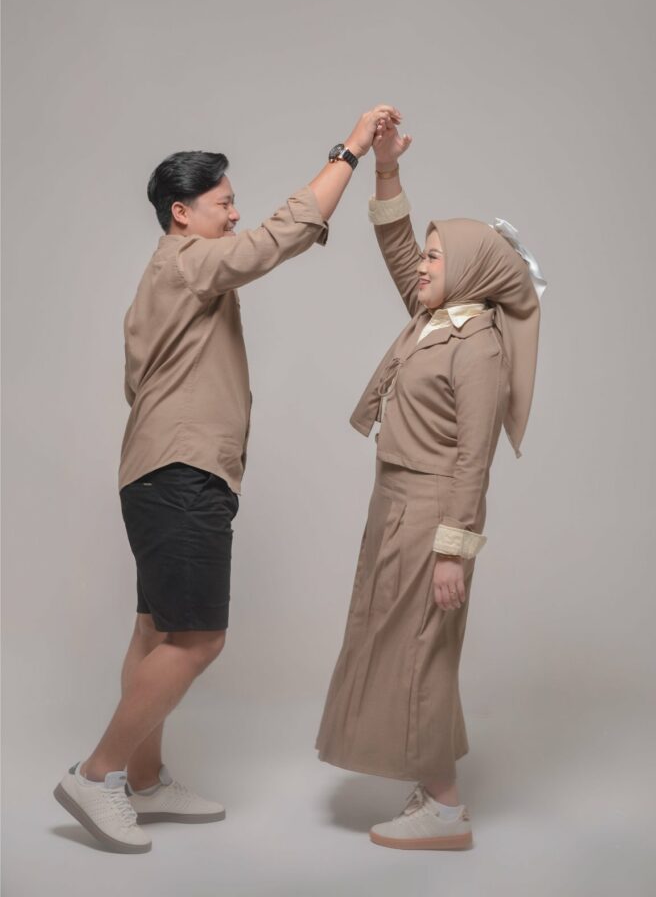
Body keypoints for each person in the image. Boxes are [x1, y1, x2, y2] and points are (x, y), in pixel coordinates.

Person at [53, 104, 402, 854]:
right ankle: (96, 774)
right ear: (181, 213)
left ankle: (144, 781)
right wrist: (349, 151)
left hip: (156, 473)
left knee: (155, 630)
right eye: (223, 203)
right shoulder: (186, 262)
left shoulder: (166, 279)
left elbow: (137, 383)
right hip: (181, 474)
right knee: (200, 639)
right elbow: (279, 237)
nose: (235, 214)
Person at [315, 116, 546, 851]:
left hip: (432, 509)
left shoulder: (477, 346)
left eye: (438, 255)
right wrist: (386, 169)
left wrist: (453, 550)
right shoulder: (434, 315)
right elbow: (397, 249)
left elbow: (474, 459)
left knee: (422, 650)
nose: (422, 264)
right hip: (396, 500)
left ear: (472, 270)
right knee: (396, 642)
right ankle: (431, 787)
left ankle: (445, 810)